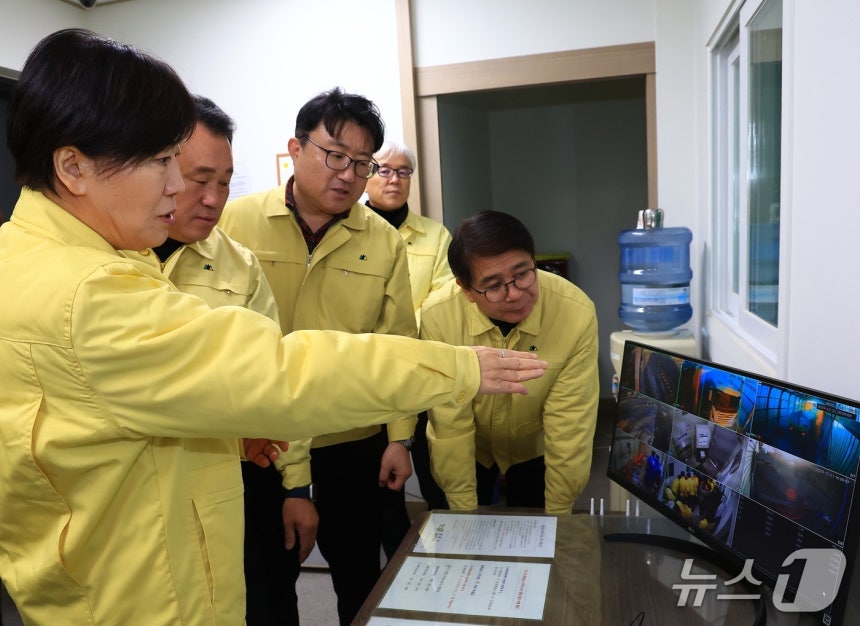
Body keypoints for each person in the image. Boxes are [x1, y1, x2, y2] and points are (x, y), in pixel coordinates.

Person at [0, 29, 547, 625]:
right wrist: (460, 367)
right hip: (143, 597)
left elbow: (90, 416)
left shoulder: (28, 256)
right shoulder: (92, 292)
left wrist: (237, 428)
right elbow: (283, 370)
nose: (181, 189)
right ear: (74, 167)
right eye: (162, 162)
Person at [220, 89, 419, 625]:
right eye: (335, 155)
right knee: (266, 588)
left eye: (362, 163)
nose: (349, 174)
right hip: (262, 444)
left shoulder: (382, 241)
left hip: (351, 444)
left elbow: (397, 343)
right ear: (296, 148)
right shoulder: (233, 224)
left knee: (362, 580)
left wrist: (400, 437)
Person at [123, 94, 296, 623]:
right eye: (200, 179)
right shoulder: (114, 260)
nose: (213, 198)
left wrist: (297, 484)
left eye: (224, 182)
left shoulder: (237, 264)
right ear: (162, 169)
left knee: (263, 600)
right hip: (147, 489)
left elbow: (274, 372)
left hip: (246, 479)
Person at [420, 210, 599, 514]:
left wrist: (558, 518)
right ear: (466, 289)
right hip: (469, 445)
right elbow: (450, 423)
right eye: (493, 285)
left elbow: (570, 424)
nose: (515, 294)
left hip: (536, 446)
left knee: (538, 525)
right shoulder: (439, 316)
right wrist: (464, 514)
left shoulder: (575, 313)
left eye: (523, 273)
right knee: (460, 521)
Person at [364, 140, 454, 526]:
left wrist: (402, 337)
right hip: (367, 376)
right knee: (381, 488)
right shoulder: (350, 232)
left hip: (421, 371)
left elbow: (442, 304)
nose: (394, 179)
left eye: (403, 172)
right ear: (366, 174)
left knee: (437, 479)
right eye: (384, 169)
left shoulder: (435, 237)